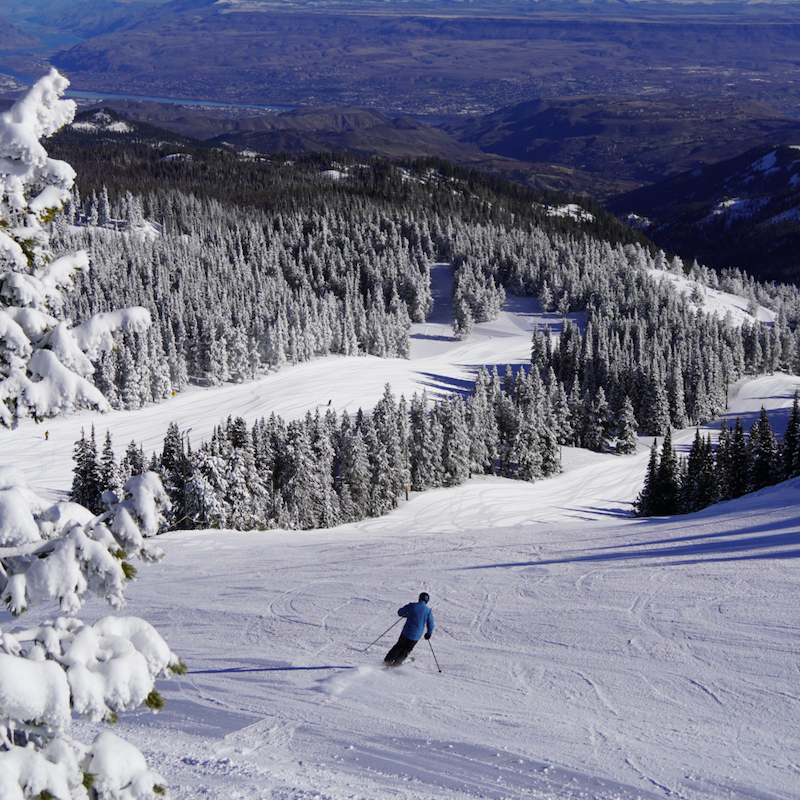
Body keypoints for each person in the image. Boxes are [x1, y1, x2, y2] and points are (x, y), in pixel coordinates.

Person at [384, 592, 434, 667]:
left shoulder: (412, 606)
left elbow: (400, 612)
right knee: (406, 649)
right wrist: (428, 634)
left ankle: (387, 661)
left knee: (399, 646)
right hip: (416, 636)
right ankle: (397, 662)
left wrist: (407, 614)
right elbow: (430, 624)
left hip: (406, 632)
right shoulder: (428, 611)